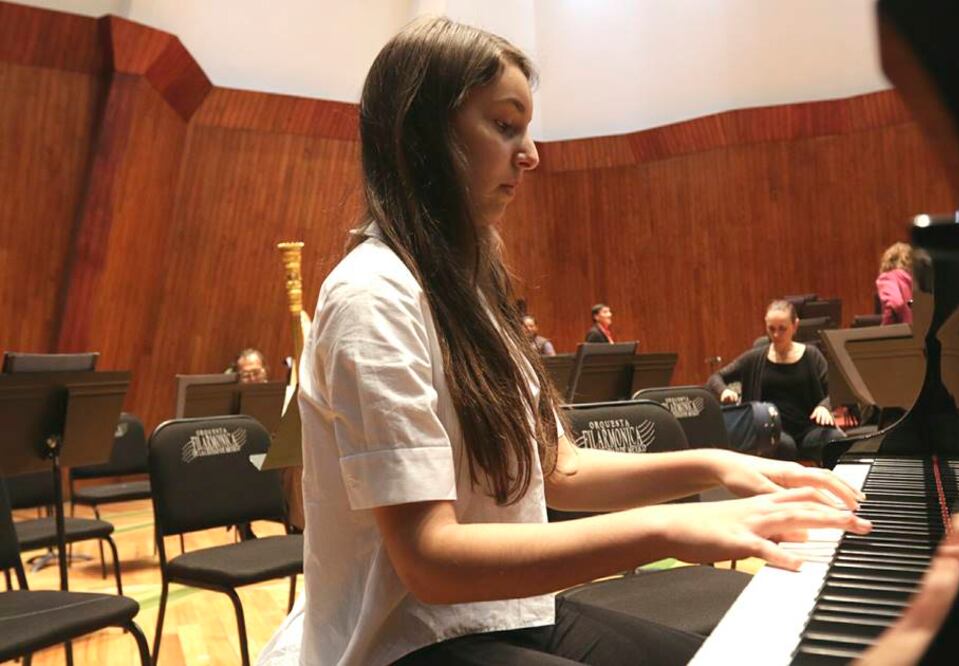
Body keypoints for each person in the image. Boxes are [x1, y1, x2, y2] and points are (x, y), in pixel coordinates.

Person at [258, 18, 870, 666]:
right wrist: (668, 526)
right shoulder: (372, 298)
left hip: (497, 615)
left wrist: (715, 466)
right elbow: (431, 561)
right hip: (407, 644)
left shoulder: (467, 292)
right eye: (504, 124)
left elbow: (558, 469)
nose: (531, 154)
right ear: (421, 134)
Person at [706, 300, 846, 463]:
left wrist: (824, 406)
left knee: (835, 441)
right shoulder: (755, 357)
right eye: (771, 329)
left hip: (809, 429)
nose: (776, 335)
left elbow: (835, 389)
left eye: (782, 329)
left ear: (795, 325)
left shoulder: (811, 355)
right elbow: (715, 378)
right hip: (771, 430)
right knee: (785, 447)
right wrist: (724, 390)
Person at [875, 242, 914, 324]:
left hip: (901, 333)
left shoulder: (887, 278)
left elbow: (895, 303)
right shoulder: (915, 280)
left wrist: (885, 329)